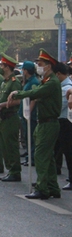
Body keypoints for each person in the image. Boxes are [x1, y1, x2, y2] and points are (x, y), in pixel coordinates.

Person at [9, 49, 62, 200]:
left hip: (49, 123)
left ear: (49, 66)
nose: (38, 66)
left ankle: (42, 188)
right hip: (44, 123)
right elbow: (36, 91)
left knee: (40, 156)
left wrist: (17, 94)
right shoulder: (46, 81)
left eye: (40, 64)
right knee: (48, 157)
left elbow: (35, 93)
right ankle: (52, 187)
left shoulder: (52, 83)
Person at [0, 54, 23, 182]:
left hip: (10, 117)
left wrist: (2, 105)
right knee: (4, 145)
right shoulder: (4, 82)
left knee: (11, 146)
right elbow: (0, 100)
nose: (0, 67)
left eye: (2, 65)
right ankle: (10, 169)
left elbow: (18, 101)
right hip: (2, 118)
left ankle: (15, 171)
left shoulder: (14, 82)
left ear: (7, 67)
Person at [53, 62, 72, 191]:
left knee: (69, 153)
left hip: (66, 123)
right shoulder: (63, 87)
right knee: (60, 152)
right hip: (62, 122)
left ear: (58, 74)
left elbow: (58, 107)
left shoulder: (66, 88)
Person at [19, 61, 39, 166]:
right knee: (27, 136)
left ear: (26, 71)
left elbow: (34, 99)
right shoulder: (27, 81)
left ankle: (32, 158)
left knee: (31, 137)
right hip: (24, 113)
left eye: (23, 69)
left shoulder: (34, 82)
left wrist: (28, 112)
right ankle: (29, 157)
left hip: (30, 115)